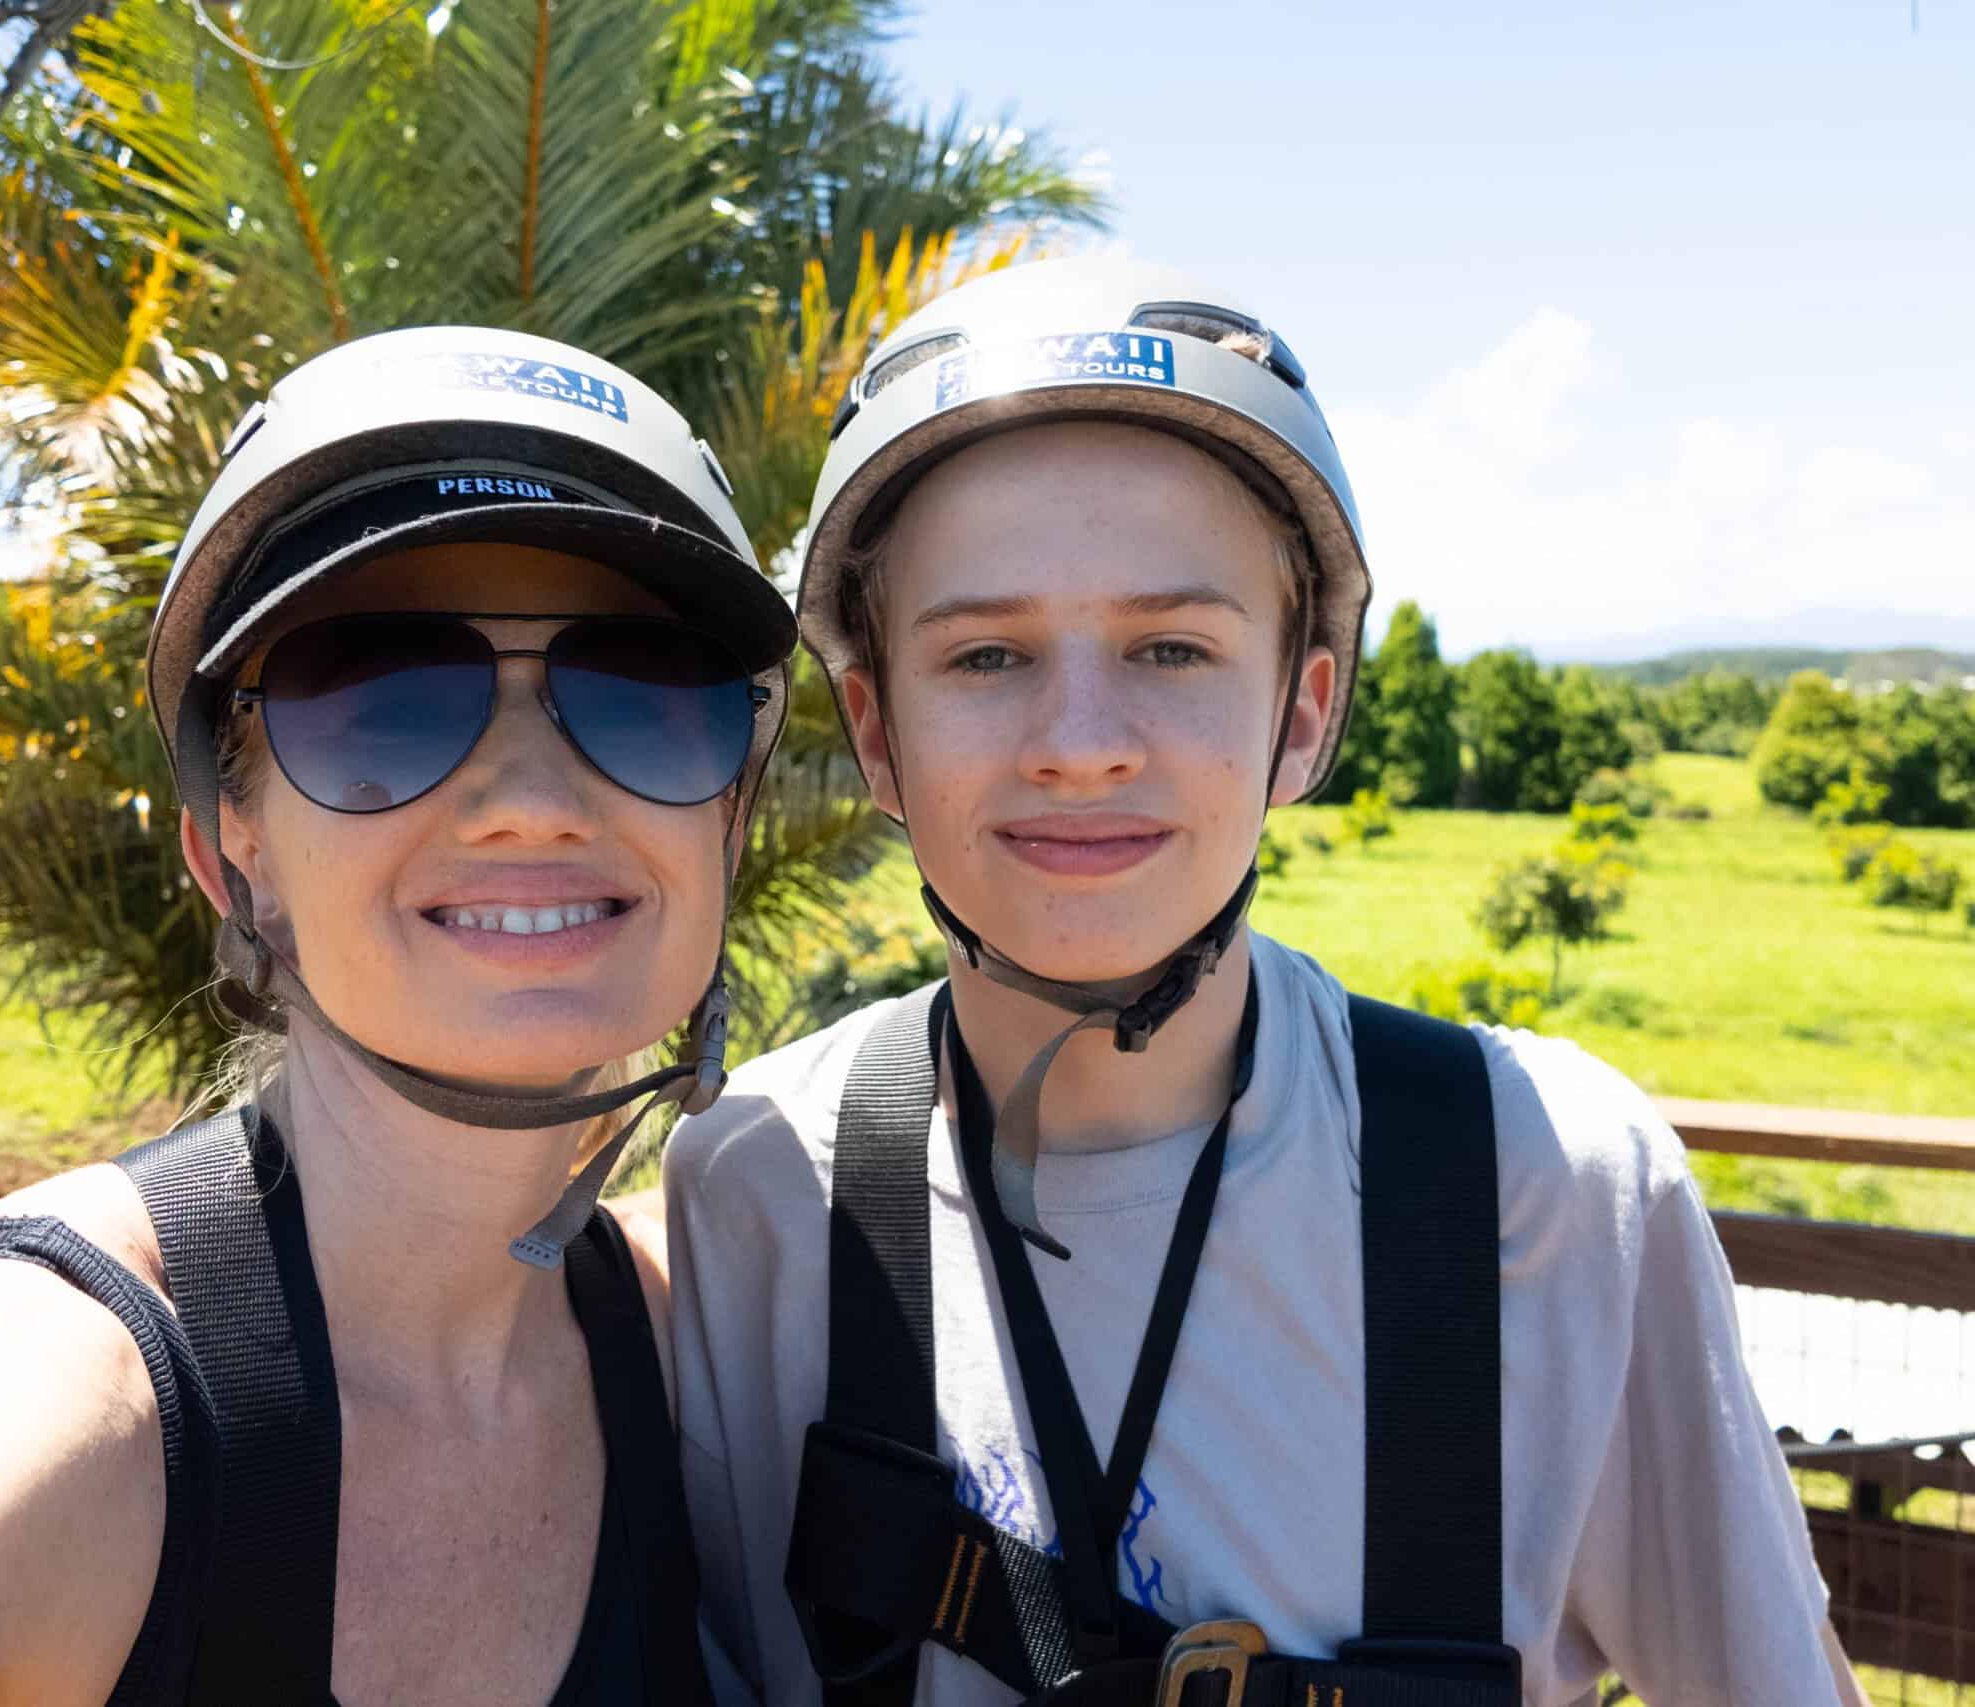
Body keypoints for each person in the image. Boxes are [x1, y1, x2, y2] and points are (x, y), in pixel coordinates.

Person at [661, 258, 1866, 1707]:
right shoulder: (760, 1186)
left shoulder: (1549, 1190)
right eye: (986, 655)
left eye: (1173, 647)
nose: (1081, 741)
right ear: (874, 730)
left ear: (1304, 712)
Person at [0, 326, 795, 1707]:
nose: (532, 798)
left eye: (646, 694)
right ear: (229, 850)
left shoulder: (710, 1344)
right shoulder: (27, 1383)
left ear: (727, 823)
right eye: (378, 701)